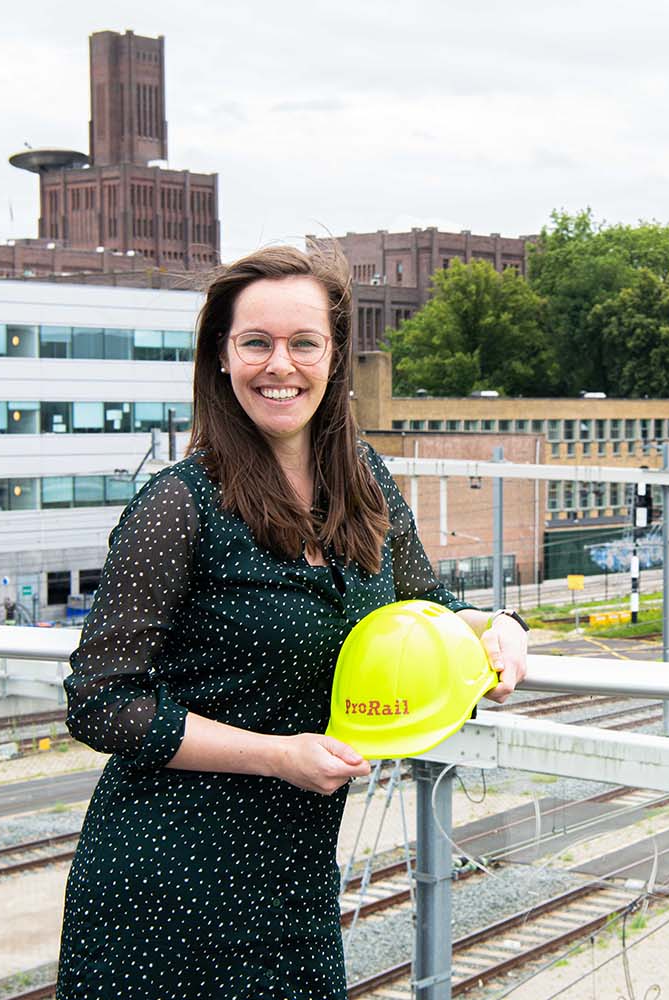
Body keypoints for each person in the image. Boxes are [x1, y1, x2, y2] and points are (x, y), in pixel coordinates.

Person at [56, 245, 528, 999]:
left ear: (335, 357)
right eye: (256, 343)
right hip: (169, 888)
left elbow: (422, 606)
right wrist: (276, 756)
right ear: (222, 356)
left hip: (295, 884)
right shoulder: (178, 506)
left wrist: (495, 625)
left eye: (304, 342)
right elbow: (102, 701)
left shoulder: (365, 483)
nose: (281, 365)